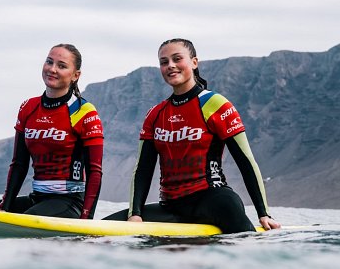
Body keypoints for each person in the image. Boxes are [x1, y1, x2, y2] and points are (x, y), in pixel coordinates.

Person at [104, 38, 280, 233]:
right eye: (164, 62)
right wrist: (135, 214)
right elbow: (143, 169)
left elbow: (245, 161)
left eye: (177, 59)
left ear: (194, 63)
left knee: (236, 224)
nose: (170, 66)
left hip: (213, 200)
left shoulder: (215, 104)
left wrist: (263, 213)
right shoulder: (155, 114)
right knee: (102, 230)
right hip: (171, 207)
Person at [0, 43, 104, 219]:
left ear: (75, 75)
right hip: (37, 199)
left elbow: (94, 171)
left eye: (61, 66)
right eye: (49, 62)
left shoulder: (83, 111)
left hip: (69, 202)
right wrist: (5, 207)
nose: (52, 69)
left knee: (19, 224)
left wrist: (86, 218)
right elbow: (19, 164)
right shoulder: (28, 107)